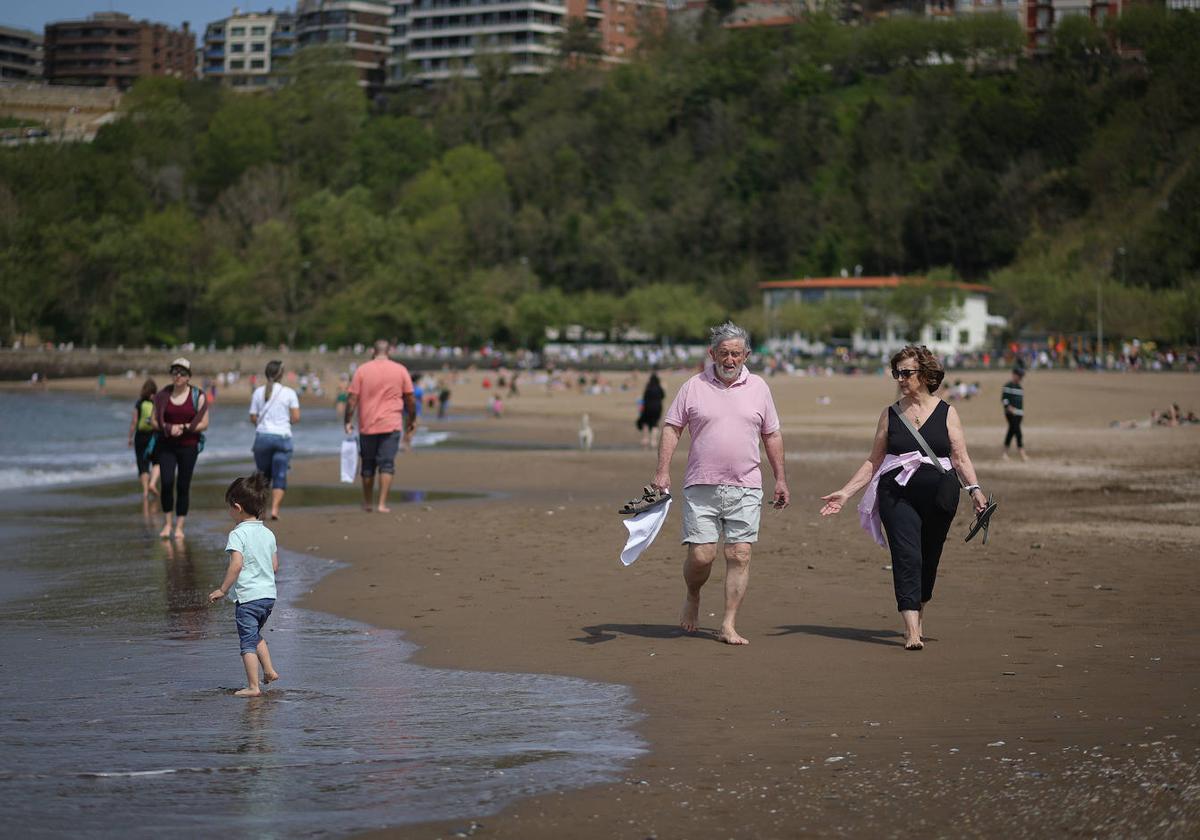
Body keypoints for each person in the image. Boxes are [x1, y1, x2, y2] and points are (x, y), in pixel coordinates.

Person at [819, 345, 989, 651]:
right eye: (896, 373)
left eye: (906, 372)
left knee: (928, 557)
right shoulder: (890, 414)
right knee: (906, 556)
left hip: (941, 496)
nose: (900, 378)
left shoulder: (948, 412)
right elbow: (874, 460)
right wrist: (846, 492)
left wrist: (975, 490)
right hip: (896, 495)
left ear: (924, 374)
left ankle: (919, 608)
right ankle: (911, 629)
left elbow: (961, 458)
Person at [652, 322, 789, 646]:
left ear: (747, 355)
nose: (730, 360)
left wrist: (780, 477)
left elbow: (771, 434)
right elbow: (672, 428)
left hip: (746, 484)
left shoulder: (759, 388)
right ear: (712, 354)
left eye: (736, 354)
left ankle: (728, 624)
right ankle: (693, 594)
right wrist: (661, 471)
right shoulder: (693, 386)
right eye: (724, 353)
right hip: (702, 484)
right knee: (702, 556)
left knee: (740, 553)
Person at [208, 474, 280, 698]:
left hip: (248, 598)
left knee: (247, 641)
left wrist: (223, 589)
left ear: (237, 507)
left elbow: (236, 565)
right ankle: (268, 670)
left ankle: (253, 686)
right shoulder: (268, 533)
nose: (230, 513)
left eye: (230, 508)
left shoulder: (237, 534)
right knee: (254, 634)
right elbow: (274, 566)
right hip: (268, 596)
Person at [344, 340, 416, 513]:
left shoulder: (362, 370)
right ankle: (382, 503)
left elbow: (352, 399)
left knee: (368, 464)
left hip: (367, 425)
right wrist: (412, 420)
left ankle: (368, 502)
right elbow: (410, 399)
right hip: (391, 424)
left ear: (373, 352)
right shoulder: (400, 369)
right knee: (387, 464)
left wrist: (347, 421)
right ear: (389, 352)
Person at [152, 358, 209, 540]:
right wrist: (168, 427)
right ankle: (168, 524)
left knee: (183, 485)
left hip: (188, 447)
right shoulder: (162, 395)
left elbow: (204, 423)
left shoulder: (197, 396)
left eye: (182, 373)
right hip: (166, 445)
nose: (178, 375)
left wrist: (184, 427)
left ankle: (180, 527)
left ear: (188, 377)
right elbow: (153, 420)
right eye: (175, 372)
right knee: (167, 483)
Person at [249, 360, 300, 520]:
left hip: (263, 438)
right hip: (282, 438)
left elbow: (252, 417)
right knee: (280, 475)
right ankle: (275, 510)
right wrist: (285, 423)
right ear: (281, 374)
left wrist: (263, 425)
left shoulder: (258, 392)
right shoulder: (289, 393)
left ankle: (261, 510)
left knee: (263, 477)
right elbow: (296, 417)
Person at [127, 378, 160, 501]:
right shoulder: (156, 403)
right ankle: (153, 483)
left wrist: (130, 437)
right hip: (154, 436)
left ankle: (146, 491)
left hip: (140, 436)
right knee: (157, 461)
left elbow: (134, 421)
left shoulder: (139, 403)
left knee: (142, 464)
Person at [1002, 367, 1027, 460]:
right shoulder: (1008, 386)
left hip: (1019, 414)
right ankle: (1022, 453)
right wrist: (1008, 407)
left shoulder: (1020, 388)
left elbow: (1020, 402)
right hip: (1011, 414)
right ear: (1014, 375)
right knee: (1018, 432)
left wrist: (1021, 412)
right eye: (1019, 375)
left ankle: (1005, 453)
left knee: (1011, 432)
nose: (1020, 378)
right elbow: (1004, 399)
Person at [637, 371, 666, 450]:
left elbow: (644, 399)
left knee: (645, 422)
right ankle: (654, 441)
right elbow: (663, 396)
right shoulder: (659, 388)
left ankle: (645, 439)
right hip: (657, 408)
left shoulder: (648, 388)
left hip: (648, 408)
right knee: (655, 424)